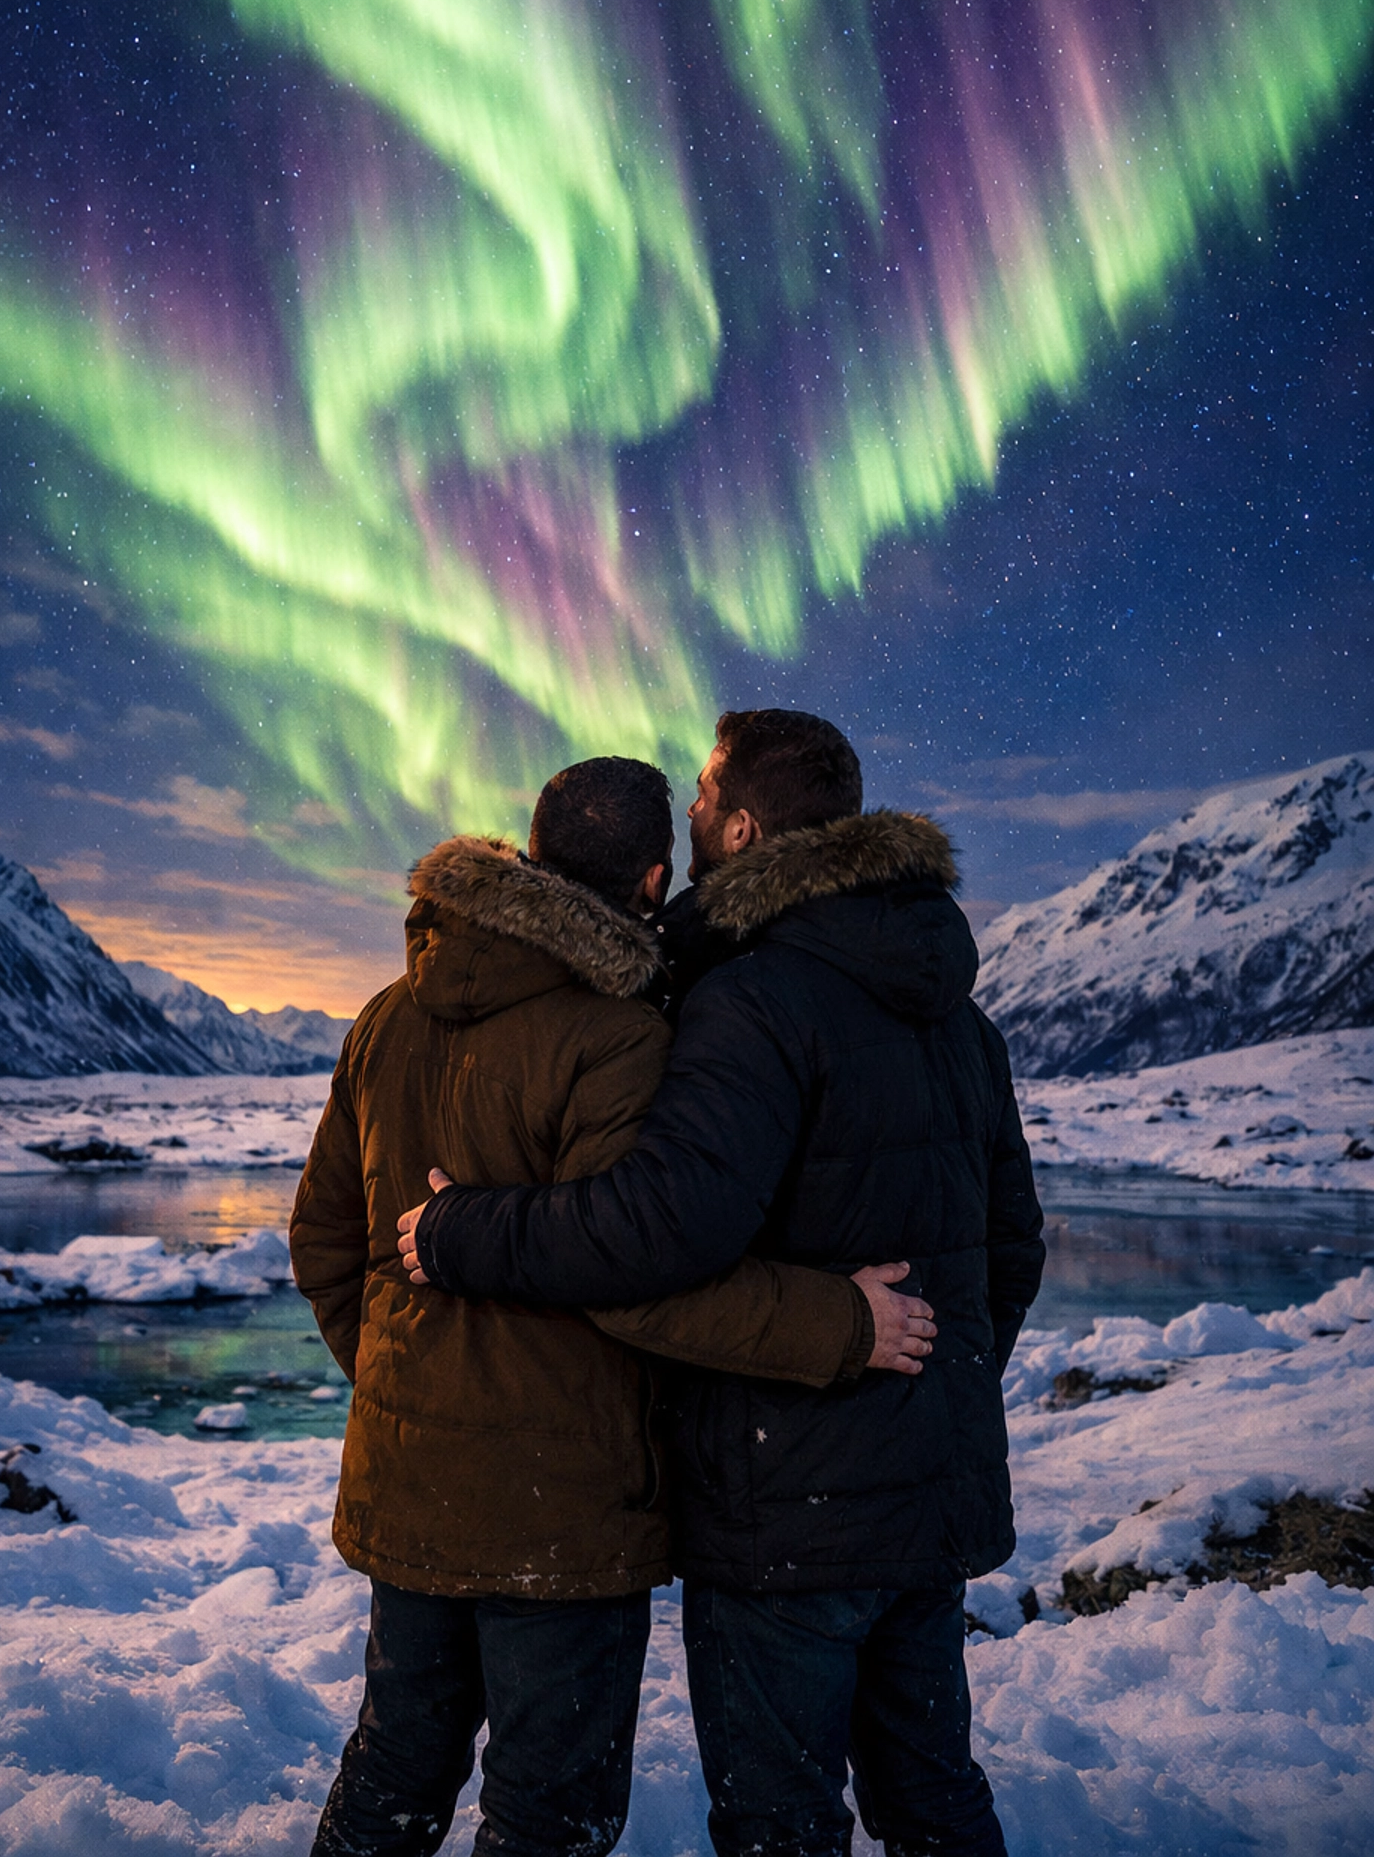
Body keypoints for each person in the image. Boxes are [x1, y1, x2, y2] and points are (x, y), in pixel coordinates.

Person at [403, 712, 1046, 1857]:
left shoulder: (753, 1001)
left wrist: (461, 1232)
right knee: (933, 1795)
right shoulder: (961, 1015)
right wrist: (927, 1388)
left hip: (786, 1505)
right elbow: (1014, 1249)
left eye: (704, 792)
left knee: (781, 1821)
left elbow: (656, 1232)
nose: (690, 810)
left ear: (743, 827)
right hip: (925, 1499)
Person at [291, 753, 938, 1857]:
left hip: (409, 1476)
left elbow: (323, 1240)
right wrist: (840, 1322)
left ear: (535, 851)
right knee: (549, 1810)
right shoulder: (618, 1035)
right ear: (650, 884)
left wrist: (404, 1383)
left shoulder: (388, 1015)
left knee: (395, 1760)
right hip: (564, 1499)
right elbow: (643, 1284)